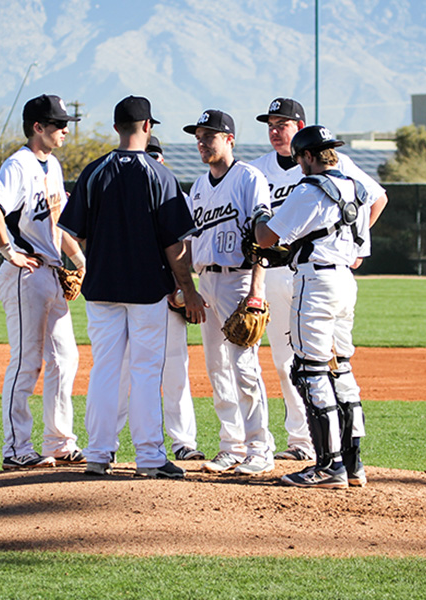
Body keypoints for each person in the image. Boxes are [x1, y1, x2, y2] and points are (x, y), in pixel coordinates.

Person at [58, 95, 206, 478]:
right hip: (146, 291)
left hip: (102, 288)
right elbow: (175, 245)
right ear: (147, 127)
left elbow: (77, 233)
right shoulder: (160, 175)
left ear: (116, 127)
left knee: (105, 369)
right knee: (144, 371)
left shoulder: (93, 172)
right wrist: (187, 288)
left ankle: (98, 453)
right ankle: (150, 456)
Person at [250, 97, 388, 463]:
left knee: (308, 370)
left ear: (307, 155)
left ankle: (327, 465)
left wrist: (263, 217)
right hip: (345, 282)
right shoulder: (352, 188)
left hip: (315, 281)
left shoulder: (308, 189)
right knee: (340, 367)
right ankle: (353, 461)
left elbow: (267, 238)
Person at [0, 94, 86, 470]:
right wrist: (8, 251)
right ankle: (15, 449)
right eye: (57, 124)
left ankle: (59, 442)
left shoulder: (52, 165)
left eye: (65, 124)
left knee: (65, 359)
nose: (64, 130)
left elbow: (57, 222)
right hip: (26, 274)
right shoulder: (18, 165)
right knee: (27, 362)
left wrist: (79, 259)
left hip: (51, 273)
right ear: (37, 127)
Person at [183, 109, 275, 476]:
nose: (202, 142)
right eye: (199, 136)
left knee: (244, 367)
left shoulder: (249, 178)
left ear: (230, 140)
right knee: (217, 368)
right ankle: (231, 446)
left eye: (210, 136)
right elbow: (189, 242)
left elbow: (263, 238)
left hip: (239, 279)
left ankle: (259, 448)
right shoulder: (199, 186)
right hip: (207, 280)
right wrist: (184, 288)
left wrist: (256, 290)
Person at [115, 135, 204, 462]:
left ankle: (183, 442)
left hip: (169, 298)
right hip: (130, 297)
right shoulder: (119, 195)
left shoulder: (178, 197)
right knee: (123, 369)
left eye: (157, 156)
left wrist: (184, 290)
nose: (153, 161)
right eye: (147, 156)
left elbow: (188, 249)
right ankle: (107, 442)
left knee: (175, 370)